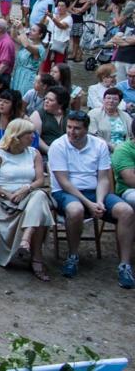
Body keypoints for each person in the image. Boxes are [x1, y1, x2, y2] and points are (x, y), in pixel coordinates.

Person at [49, 111, 134, 288]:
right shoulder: (58, 145)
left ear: (87, 129)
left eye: (77, 128)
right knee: (76, 210)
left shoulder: (99, 145)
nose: (72, 132)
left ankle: (125, 264)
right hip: (67, 192)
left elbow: (103, 177)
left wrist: (100, 201)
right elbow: (63, 181)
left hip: (95, 191)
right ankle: (73, 255)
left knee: (126, 211)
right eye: (69, 127)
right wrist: (88, 203)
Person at [0, 119, 53, 280]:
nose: (33, 136)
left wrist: (26, 188)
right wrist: (7, 194)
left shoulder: (34, 153)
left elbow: (40, 180)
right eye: (29, 133)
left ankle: (26, 239)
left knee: (39, 195)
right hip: (5, 199)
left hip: (28, 195)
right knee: (40, 205)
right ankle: (37, 259)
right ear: (17, 136)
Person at [9, 21, 46, 96]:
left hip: (27, 78)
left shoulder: (40, 48)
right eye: (30, 29)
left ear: (40, 35)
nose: (30, 32)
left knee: (22, 98)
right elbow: (14, 37)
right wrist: (14, 26)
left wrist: (22, 30)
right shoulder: (28, 41)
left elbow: (26, 45)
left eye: (33, 30)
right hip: (18, 74)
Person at [31, 86, 69, 155]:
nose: (46, 101)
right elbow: (35, 137)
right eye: (45, 99)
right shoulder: (38, 114)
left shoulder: (69, 115)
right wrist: (49, 150)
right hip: (46, 153)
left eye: (51, 100)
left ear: (61, 104)